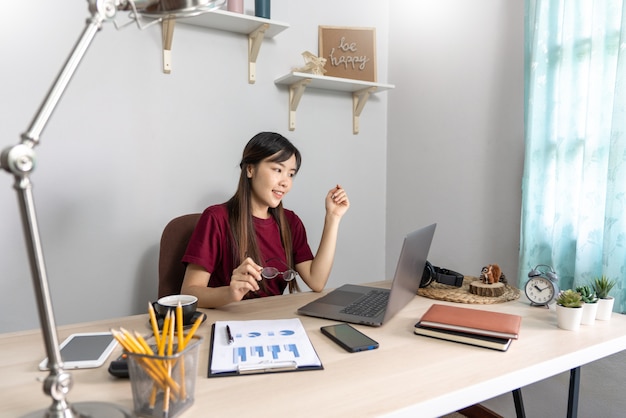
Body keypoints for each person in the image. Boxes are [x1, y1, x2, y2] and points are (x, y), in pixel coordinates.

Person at [180, 132, 350, 308]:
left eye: (291, 174)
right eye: (278, 170)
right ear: (250, 169)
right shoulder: (216, 218)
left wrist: (333, 217)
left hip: (274, 320)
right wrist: (230, 293)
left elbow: (317, 281)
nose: (286, 182)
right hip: (227, 322)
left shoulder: (291, 222)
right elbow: (189, 292)